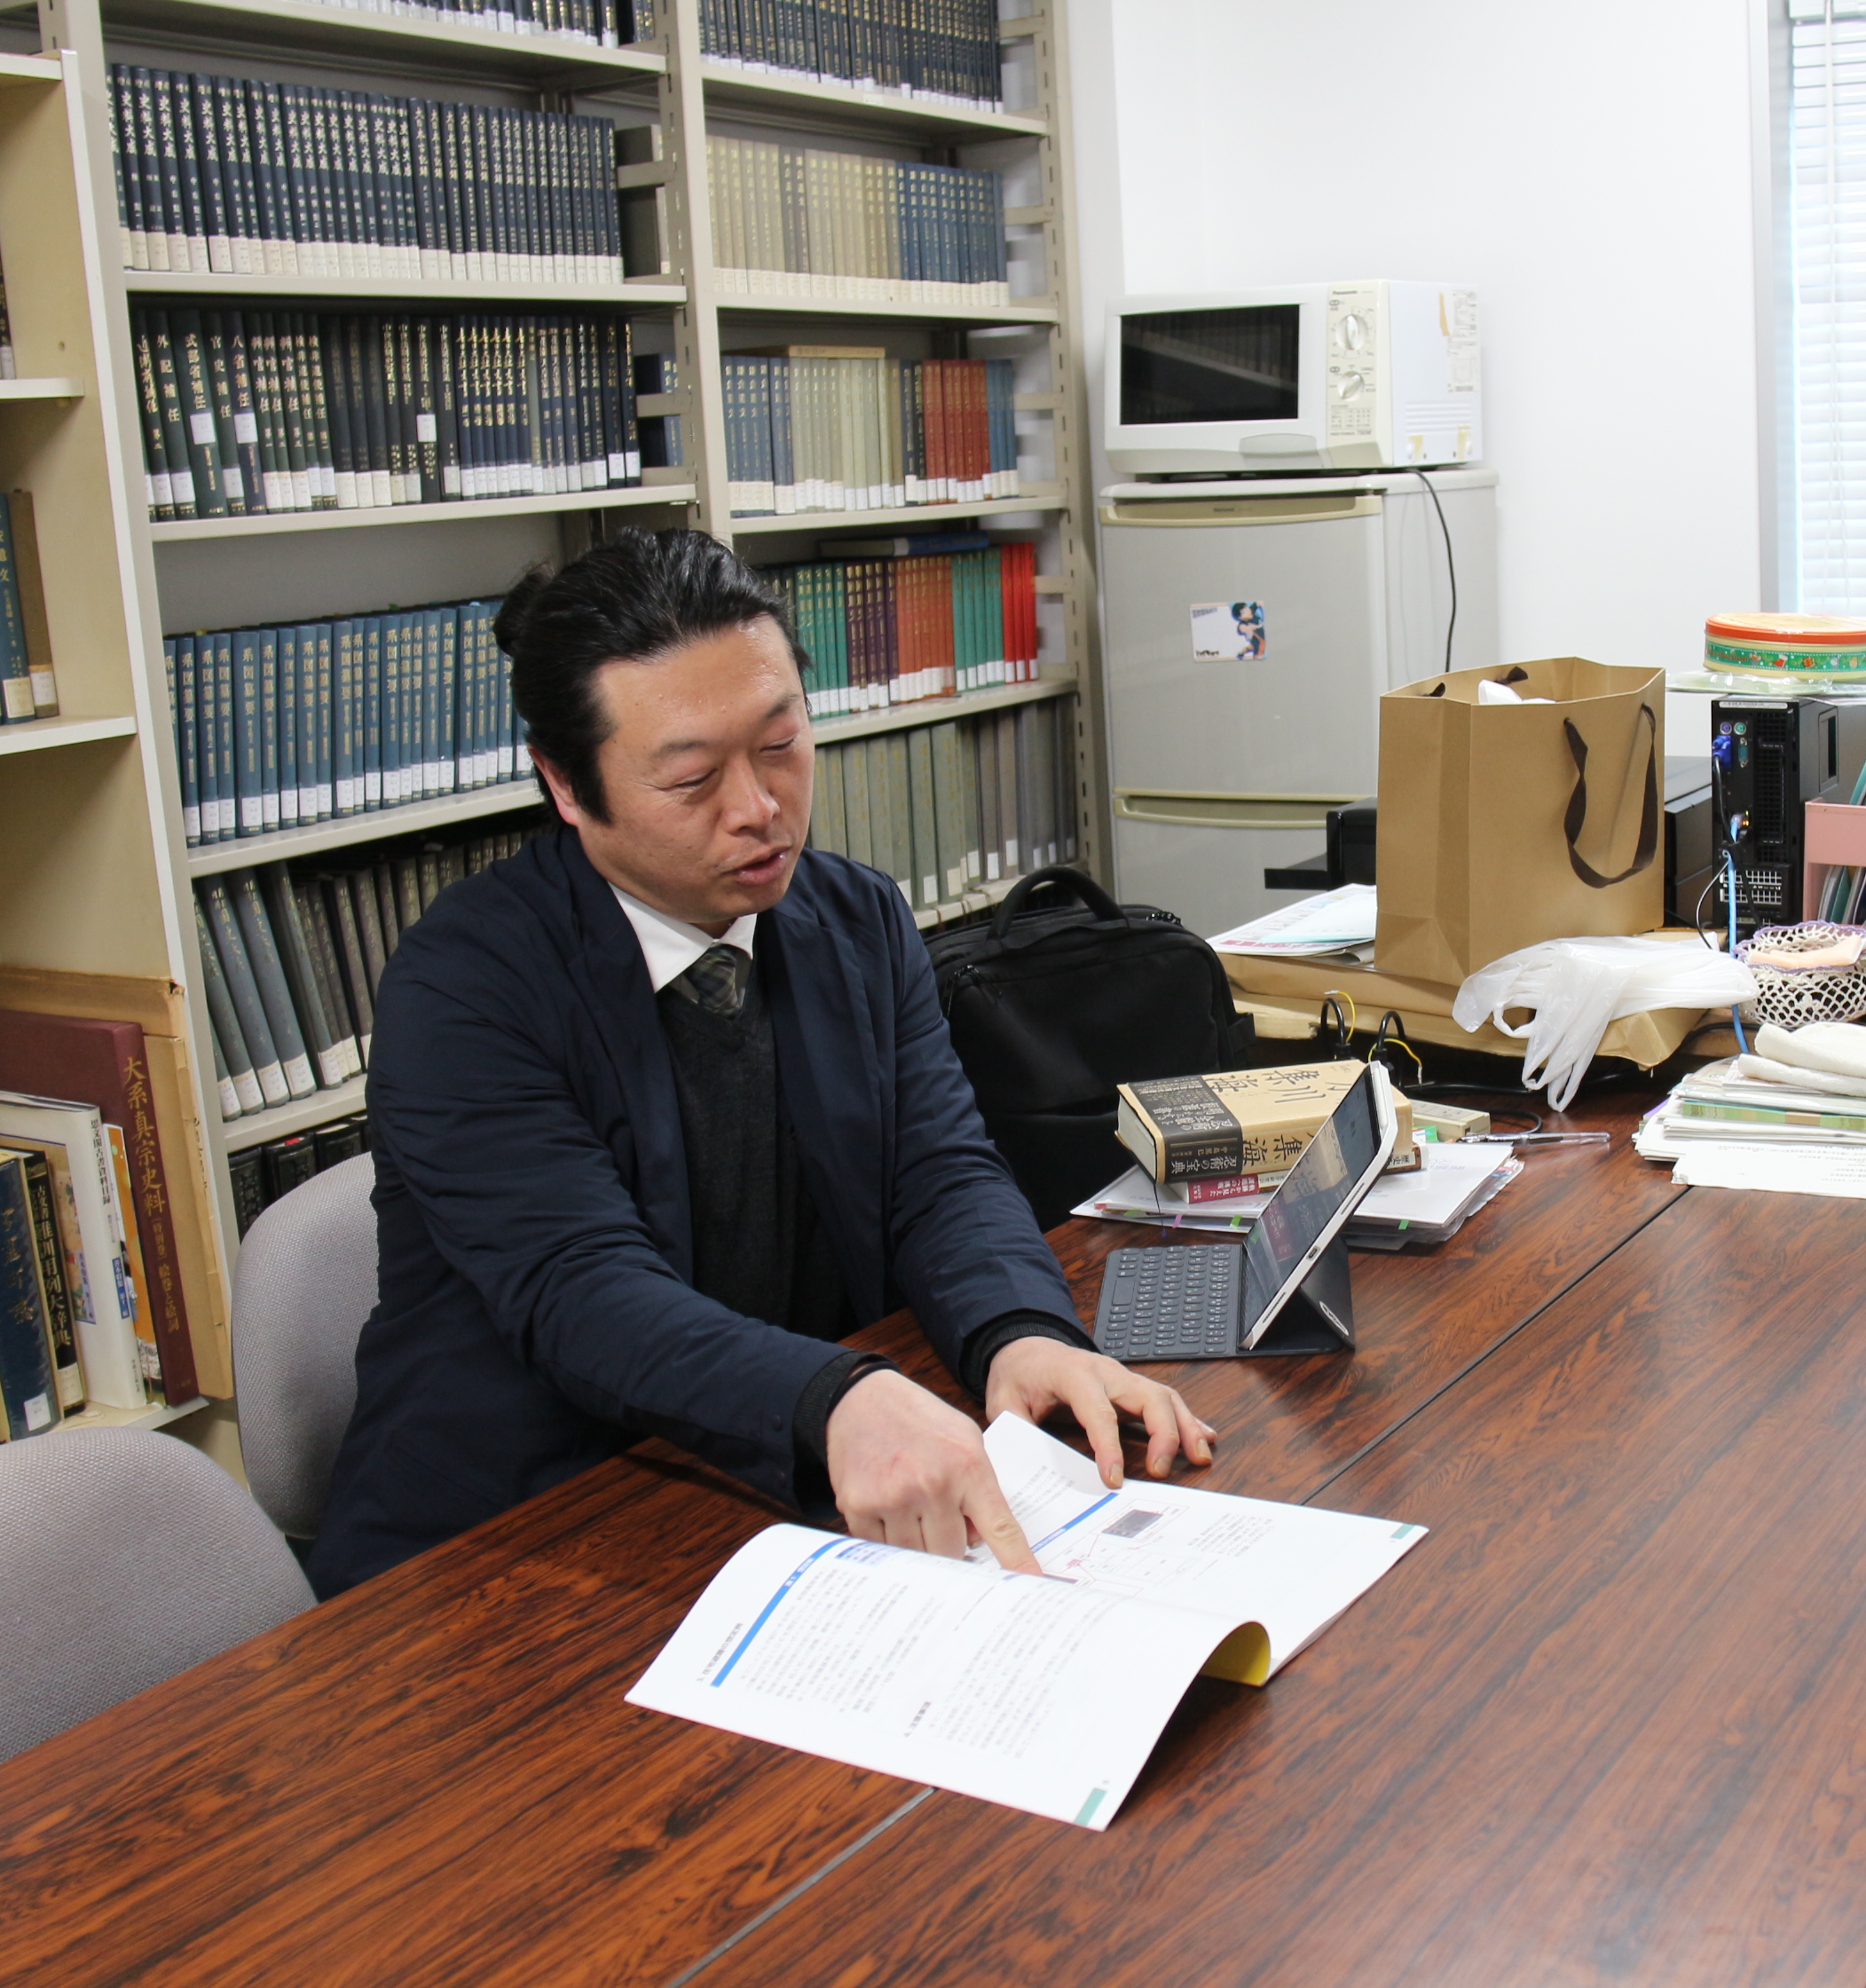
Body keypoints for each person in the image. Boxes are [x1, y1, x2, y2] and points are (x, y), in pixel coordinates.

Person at [307, 531, 1213, 1596]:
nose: (758, 808)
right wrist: (834, 1398)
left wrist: (1018, 1331)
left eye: (781, 744)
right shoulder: (464, 986)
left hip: (774, 1506)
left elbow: (937, 1172)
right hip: (519, 1545)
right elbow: (581, 1292)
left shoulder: (856, 918)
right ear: (565, 784)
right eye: (691, 778)